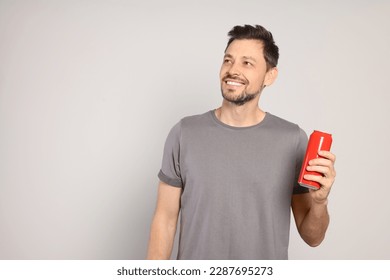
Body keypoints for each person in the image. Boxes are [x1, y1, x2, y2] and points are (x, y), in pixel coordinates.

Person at [147, 24, 336, 260]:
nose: (233, 70)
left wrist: (319, 202)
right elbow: (165, 220)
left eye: (247, 63)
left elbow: (313, 237)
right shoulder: (184, 133)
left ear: (270, 75)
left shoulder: (293, 140)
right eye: (228, 60)